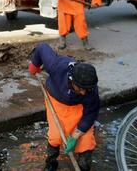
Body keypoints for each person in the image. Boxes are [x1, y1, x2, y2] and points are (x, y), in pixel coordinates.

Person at [29, 42, 100, 171]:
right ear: (72, 80)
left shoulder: (91, 90)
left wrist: (75, 135)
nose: (84, 92)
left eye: (87, 90)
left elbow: (91, 113)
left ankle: (84, 166)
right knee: (55, 136)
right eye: (81, 89)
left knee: (86, 141)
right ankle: (51, 163)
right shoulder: (57, 67)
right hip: (56, 103)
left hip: (78, 108)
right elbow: (42, 47)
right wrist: (34, 65)